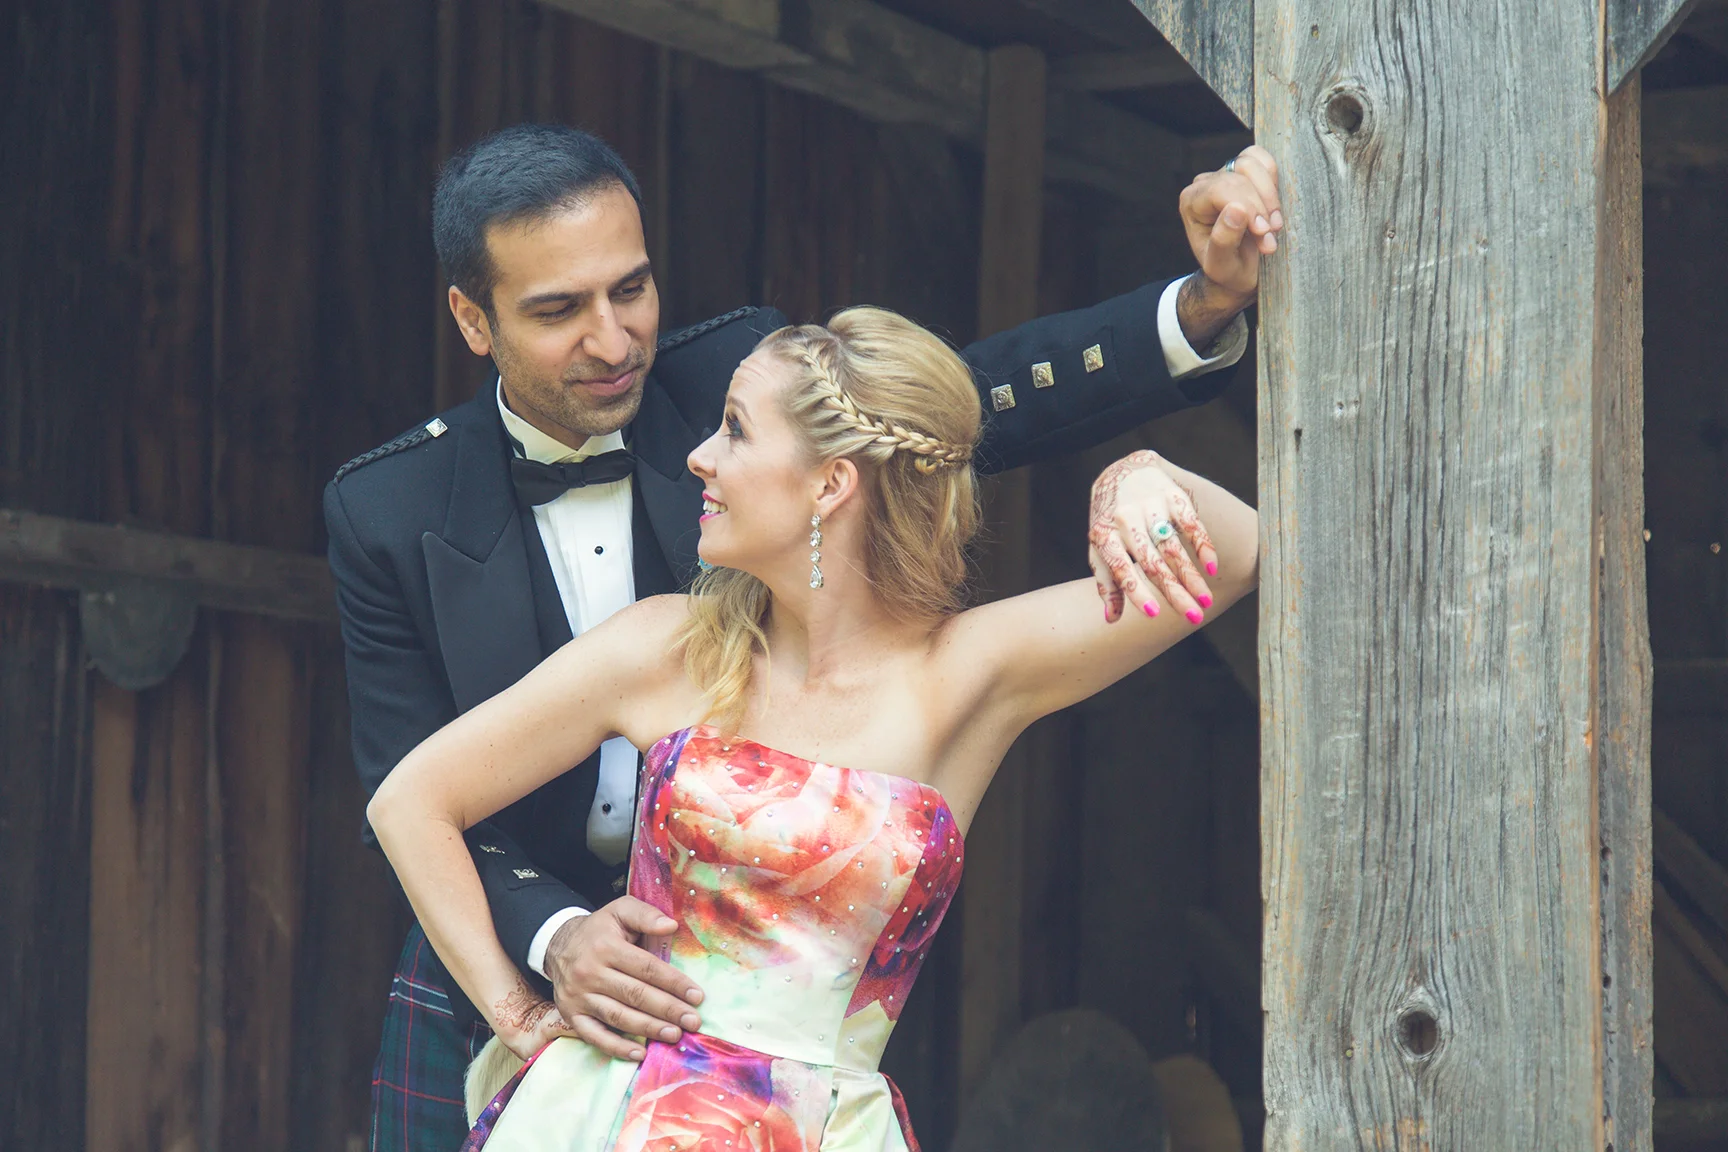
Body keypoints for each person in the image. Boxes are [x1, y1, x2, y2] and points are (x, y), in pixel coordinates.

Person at [325, 123, 1282, 1149]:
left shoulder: (741, 377)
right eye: (559, 310)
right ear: (474, 318)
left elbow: (937, 413)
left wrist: (1191, 332)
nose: (612, 341)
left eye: (631, 290)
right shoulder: (391, 509)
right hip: (510, 971)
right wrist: (541, 964)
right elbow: (408, 789)